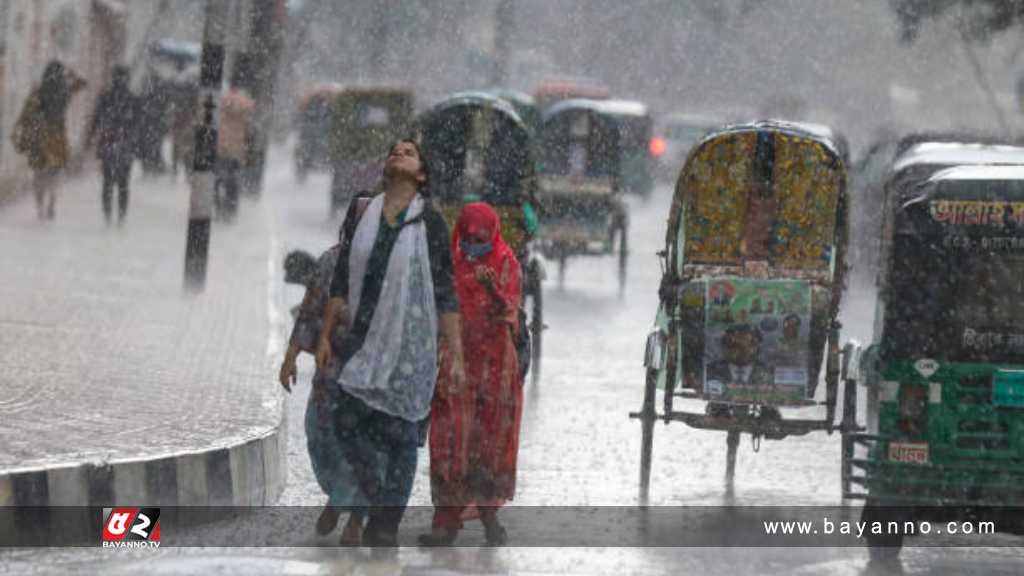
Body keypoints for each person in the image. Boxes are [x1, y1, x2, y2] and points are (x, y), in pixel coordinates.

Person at [315, 139, 465, 547]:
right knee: (346, 419)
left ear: (421, 175)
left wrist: (455, 352)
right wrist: (326, 335)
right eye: (395, 149)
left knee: (401, 435)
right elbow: (341, 281)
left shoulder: (429, 223)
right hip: (362, 342)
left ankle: (386, 525)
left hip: (410, 346)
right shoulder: (366, 216)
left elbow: (445, 290)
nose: (399, 153)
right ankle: (377, 492)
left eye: (410, 152)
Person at [419, 202, 524, 547]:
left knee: (488, 443)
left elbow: (509, 312)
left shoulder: (506, 262)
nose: (473, 245)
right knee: (449, 438)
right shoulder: (448, 264)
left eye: (480, 239)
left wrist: (492, 289)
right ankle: (445, 521)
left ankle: (490, 517)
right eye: (467, 238)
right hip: (457, 361)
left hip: (495, 367)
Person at [279, 191, 376, 545]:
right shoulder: (330, 263)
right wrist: (290, 357)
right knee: (322, 438)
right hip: (331, 371)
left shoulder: (392, 270)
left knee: (367, 445)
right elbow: (309, 313)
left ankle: (356, 516)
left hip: (370, 377)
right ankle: (338, 497)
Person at [12, 60, 87, 220]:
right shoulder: (64, 91)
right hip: (57, 137)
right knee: (54, 172)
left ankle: (40, 207)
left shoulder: (38, 91)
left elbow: (27, 113)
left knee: (38, 173)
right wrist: (72, 74)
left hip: (39, 137)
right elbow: (83, 83)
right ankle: (52, 200)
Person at [85, 66, 139, 225]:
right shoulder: (132, 99)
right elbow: (138, 125)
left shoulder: (106, 97)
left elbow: (96, 120)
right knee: (123, 183)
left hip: (109, 143)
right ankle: (120, 217)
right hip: (124, 145)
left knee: (108, 182)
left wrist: (90, 138)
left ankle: (108, 216)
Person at [215, 69, 255, 220]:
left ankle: (217, 205)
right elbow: (250, 129)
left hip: (220, 144)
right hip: (237, 148)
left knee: (217, 177)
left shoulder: (221, 99)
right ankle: (230, 209)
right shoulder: (247, 104)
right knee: (233, 179)